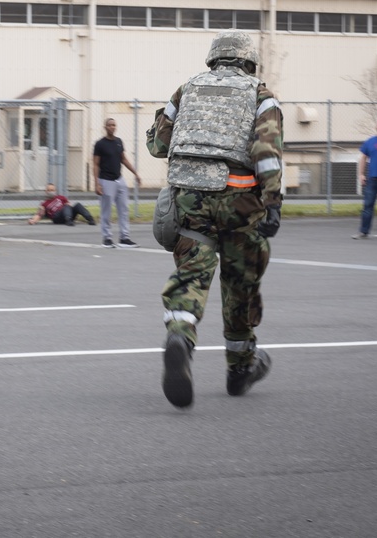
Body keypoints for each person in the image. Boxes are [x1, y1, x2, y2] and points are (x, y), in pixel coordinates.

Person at [146, 30, 283, 409]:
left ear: (213, 58)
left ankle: (179, 335)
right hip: (240, 203)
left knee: (192, 274)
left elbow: (158, 144)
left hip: (189, 199)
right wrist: (272, 200)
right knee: (240, 285)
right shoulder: (260, 94)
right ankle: (240, 367)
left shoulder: (186, 89)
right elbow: (266, 149)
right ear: (248, 60)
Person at [93, 118, 142, 248]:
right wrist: (97, 183)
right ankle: (107, 238)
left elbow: (124, 159)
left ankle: (124, 238)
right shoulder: (100, 144)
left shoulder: (118, 142)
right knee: (106, 211)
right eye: (109, 125)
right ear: (105, 127)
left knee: (124, 209)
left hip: (119, 180)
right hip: (106, 180)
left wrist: (135, 174)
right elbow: (96, 164)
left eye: (114, 125)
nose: (112, 127)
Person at [28, 183, 95, 226]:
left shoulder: (61, 197)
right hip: (57, 217)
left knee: (77, 205)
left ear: (55, 191)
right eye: (49, 190)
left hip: (67, 212)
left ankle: (90, 219)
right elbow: (39, 214)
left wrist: (74, 210)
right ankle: (68, 220)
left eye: (52, 190)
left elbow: (69, 206)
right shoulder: (44, 204)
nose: (51, 192)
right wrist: (33, 220)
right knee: (66, 207)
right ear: (46, 191)